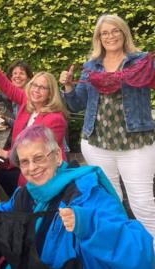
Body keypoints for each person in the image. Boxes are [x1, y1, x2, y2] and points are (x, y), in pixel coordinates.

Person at [0, 125, 154, 269]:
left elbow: (141, 253)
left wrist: (88, 225)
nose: (32, 168)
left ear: (58, 156)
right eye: (24, 162)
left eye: (39, 158)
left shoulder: (86, 192)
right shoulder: (24, 194)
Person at [59, 14, 155, 249]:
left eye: (115, 31)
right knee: (111, 202)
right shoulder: (91, 66)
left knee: (142, 203)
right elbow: (76, 104)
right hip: (97, 143)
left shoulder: (142, 62)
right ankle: (124, 250)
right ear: (98, 38)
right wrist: (68, 86)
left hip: (136, 143)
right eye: (105, 33)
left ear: (124, 33)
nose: (110, 36)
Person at [0, 50, 68, 196]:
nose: (36, 90)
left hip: (43, 178)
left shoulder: (55, 119)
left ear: (51, 93)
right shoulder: (29, 104)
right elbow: (8, 88)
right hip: (25, 170)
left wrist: (5, 153)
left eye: (42, 88)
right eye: (34, 85)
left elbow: (38, 152)